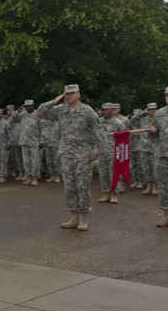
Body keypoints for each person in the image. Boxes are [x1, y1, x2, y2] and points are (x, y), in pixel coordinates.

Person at [37, 84, 105, 231]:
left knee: (82, 186)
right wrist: (54, 101)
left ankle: (83, 218)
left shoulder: (87, 111)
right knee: (69, 187)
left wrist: (97, 152)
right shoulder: (60, 110)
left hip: (82, 155)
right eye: (67, 93)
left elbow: (98, 132)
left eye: (72, 93)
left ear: (79, 94)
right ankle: (73, 217)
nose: (69, 95)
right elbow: (40, 113)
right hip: (67, 154)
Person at [148, 86, 168, 228]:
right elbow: (152, 136)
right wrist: (152, 132)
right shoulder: (159, 114)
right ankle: (167, 215)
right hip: (162, 156)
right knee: (164, 187)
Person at [97, 103, 126, 204]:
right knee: (103, 173)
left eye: (106, 109)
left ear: (112, 110)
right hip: (102, 151)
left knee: (113, 174)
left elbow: (124, 137)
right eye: (103, 109)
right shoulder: (99, 122)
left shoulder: (118, 123)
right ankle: (106, 193)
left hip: (114, 152)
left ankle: (114, 194)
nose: (104, 111)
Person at [12, 100, 42, 186]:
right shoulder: (22, 115)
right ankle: (28, 177)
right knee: (26, 161)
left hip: (34, 142)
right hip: (24, 141)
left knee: (35, 161)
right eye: (26, 106)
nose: (28, 107)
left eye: (29, 105)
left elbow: (43, 128)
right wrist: (19, 109)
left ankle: (35, 178)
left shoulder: (38, 115)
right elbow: (14, 119)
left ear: (33, 105)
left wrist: (42, 141)